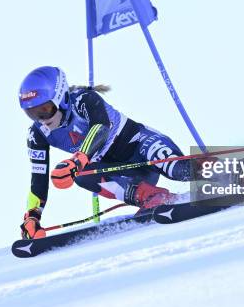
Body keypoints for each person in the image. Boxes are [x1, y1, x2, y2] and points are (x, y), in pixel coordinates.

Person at [18, 66, 199, 240]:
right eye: (32, 114)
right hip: (127, 175)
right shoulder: (37, 134)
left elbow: (100, 128)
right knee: (81, 175)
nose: (41, 120)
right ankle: (152, 197)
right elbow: (38, 179)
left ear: (61, 98)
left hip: (140, 145)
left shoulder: (84, 99)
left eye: (45, 110)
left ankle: (219, 170)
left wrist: (77, 160)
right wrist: (32, 216)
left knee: (177, 170)